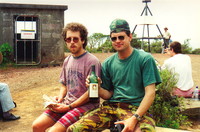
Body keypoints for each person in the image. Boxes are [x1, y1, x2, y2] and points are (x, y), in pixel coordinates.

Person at [67, 19, 161, 132]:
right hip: (111, 108)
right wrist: (97, 87)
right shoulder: (108, 63)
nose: (117, 41)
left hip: (135, 109)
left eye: (121, 37)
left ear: (130, 37)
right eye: (114, 38)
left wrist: (135, 118)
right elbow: (107, 95)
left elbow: (150, 93)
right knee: (74, 129)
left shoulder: (144, 59)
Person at [32, 22, 101, 132]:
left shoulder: (92, 62)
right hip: (67, 102)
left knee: (54, 131)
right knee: (37, 125)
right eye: (69, 39)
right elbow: (64, 84)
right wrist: (60, 98)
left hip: (86, 106)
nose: (72, 42)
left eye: (75, 39)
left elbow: (91, 94)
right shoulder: (67, 60)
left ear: (83, 40)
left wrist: (69, 107)